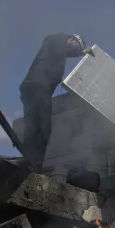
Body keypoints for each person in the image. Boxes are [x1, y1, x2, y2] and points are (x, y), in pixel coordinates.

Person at [19, 34, 92, 170]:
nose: (75, 50)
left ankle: (28, 161)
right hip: (38, 86)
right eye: (76, 46)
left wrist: (79, 53)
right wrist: (81, 51)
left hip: (33, 87)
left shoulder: (58, 51)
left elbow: (64, 50)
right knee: (44, 127)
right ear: (72, 39)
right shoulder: (57, 39)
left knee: (34, 125)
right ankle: (35, 163)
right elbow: (63, 47)